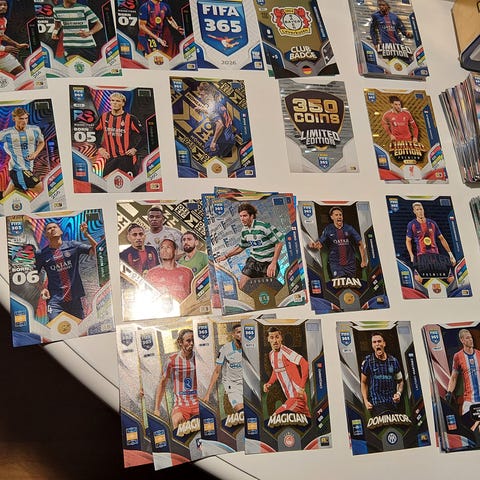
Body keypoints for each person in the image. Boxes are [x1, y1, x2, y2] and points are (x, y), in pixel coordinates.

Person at [35, 221, 97, 321]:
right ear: (46, 235)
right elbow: (33, 275)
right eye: (49, 228)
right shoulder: (41, 254)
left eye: (54, 227)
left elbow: (96, 250)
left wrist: (87, 235)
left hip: (74, 300)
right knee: (55, 327)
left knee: (78, 328)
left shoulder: (73, 245)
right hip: (55, 301)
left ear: (61, 231)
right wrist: (42, 289)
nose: (52, 229)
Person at [217, 203, 284, 290]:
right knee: (242, 287)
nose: (242, 219)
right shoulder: (244, 231)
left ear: (252, 216)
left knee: (266, 291)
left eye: (245, 216)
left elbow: (279, 243)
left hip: (268, 263)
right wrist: (226, 256)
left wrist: (273, 263)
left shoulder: (264, 227)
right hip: (254, 262)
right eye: (240, 216)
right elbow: (241, 247)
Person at [153, 328, 198, 429]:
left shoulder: (198, 358)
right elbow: (162, 383)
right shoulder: (172, 360)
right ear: (180, 342)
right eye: (188, 341)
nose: (191, 343)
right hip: (181, 405)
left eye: (193, 340)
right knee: (177, 423)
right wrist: (156, 408)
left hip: (198, 404)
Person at [94, 92, 144, 178]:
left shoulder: (130, 118)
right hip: (110, 158)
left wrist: (135, 149)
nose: (114, 103)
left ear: (123, 103)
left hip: (126, 159)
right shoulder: (104, 117)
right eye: (112, 100)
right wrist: (99, 148)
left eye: (118, 101)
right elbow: (94, 132)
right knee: (106, 183)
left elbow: (144, 135)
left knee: (129, 183)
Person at [263, 327, 310, 417]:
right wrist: (269, 383)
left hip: (297, 397)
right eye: (272, 337)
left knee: (275, 418)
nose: (275, 340)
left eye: (277, 337)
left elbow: (304, 364)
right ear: (268, 339)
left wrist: (302, 386)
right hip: (290, 398)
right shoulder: (271, 354)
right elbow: (276, 370)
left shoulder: (286, 352)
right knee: (308, 421)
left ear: (281, 338)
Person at [308, 207, 367, 279]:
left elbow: (360, 243)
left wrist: (363, 260)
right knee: (340, 281)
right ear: (332, 217)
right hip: (336, 263)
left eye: (340, 215)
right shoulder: (328, 229)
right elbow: (320, 243)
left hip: (350, 264)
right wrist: (314, 245)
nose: (339, 217)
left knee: (351, 284)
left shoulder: (349, 228)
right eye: (336, 215)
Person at [0, 107, 45, 198]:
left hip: (29, 169)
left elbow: (41, 142)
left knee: (6, 195)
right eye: (21, 118)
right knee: (43, 190)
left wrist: (35, 153)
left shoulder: (35, 130)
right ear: (14, 119)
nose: (24, 121)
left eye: (26, 118)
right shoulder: (7, 133)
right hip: (17, 170)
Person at [405, 202, 456, 281]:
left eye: (421, 209)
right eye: (417, 210)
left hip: (435, 256)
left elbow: (442, 238)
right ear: (414, 212)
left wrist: (451, 255)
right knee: (418, 279)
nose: (420, 211)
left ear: (423, 210)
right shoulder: (412, 224)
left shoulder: (432, 223)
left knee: (451, 279)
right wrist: (411, 255)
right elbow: (408, 241)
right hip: (421, 257)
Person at [202, 324, 243, 413]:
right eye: (239, 332)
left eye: (243, 332)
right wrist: (208, 393)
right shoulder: (225, 349)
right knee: (241, 411)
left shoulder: (249, 347)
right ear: (233, 334)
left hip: (246, 385)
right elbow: (217, 371)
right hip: (232, 385)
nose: (241, 334)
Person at [361, 332, 404, 417]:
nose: (377, 344)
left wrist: (398, 393)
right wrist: (365, 401)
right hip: (376, 403)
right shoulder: (368, 362)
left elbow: (400, 381)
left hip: (392, 403)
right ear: (372, 345)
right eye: (374, 342)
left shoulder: (393, 361)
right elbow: (363, 382)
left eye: (379, 341)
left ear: (384, 344)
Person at [445, 329, 480, 422]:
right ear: (462, 340)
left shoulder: (479, 354)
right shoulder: (458, 356)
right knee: (469, 427)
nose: (471, 340)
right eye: (467, 338)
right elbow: (454, 377)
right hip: (469, 401)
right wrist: (449, 393)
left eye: (471, 337)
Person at [195, 81, 235, 158]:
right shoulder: (218, 105)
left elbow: (220, 125)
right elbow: (215, 112)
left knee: (207, 150)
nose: (200, 97)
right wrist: (202, 109)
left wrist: (214, 141)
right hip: (230, 140)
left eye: (202, 95)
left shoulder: (212, 109)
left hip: (222, 140)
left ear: (209, 95)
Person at [0, 0, 28, 76]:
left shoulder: (4, 20)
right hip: (2, 50)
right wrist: (4, 48)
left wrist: (17, 44)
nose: (3, 7)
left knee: (22, 76)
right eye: (0, 5)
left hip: (2, 56)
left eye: (5, 5)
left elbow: (2, 36)